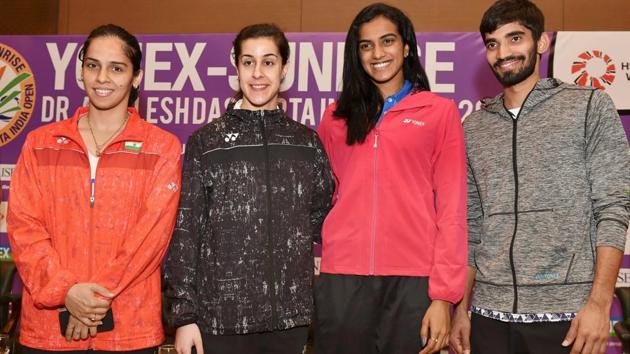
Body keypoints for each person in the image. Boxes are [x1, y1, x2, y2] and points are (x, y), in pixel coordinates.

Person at [449, 1, 630, 354]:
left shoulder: (588, 106)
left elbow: (612, 208)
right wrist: (461, 309)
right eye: (492, 43)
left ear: (541, 43)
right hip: (488, 314)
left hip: (567, 313)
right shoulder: (474, 127)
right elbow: (472, 224)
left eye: (515, 38)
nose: (503, 53)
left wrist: (598, 304)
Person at [7, 24, 182, 352]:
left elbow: (149, 240)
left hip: (130, 330)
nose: (103, 78)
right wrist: (67, 292)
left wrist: (90, 301)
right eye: (93, 65)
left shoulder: (161, 147)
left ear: (136, 77)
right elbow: (24, 229)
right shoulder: (39, 143)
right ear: (81, 70)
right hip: (47, 331)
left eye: (116, 68)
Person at [164, 23, 334, 354]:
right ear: (236, 67)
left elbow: (320, 215)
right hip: (220, 322)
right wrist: (184, 317)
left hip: (289, 321)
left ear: (284, 69)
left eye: (268, 62)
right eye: (248, 62)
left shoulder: (305, 142)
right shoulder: (207, 142)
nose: (258, 73)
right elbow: (186, 232)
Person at [314, 3, 467, 354]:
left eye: (387, 41)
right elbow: (323, 196)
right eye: (366, 45)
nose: (378, 53)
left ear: (406, 47)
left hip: (413, 284)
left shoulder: (439, 113)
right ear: (357, 54)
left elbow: (452, 210)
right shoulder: (335, 117)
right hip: (342, 280)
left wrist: (444, 297)